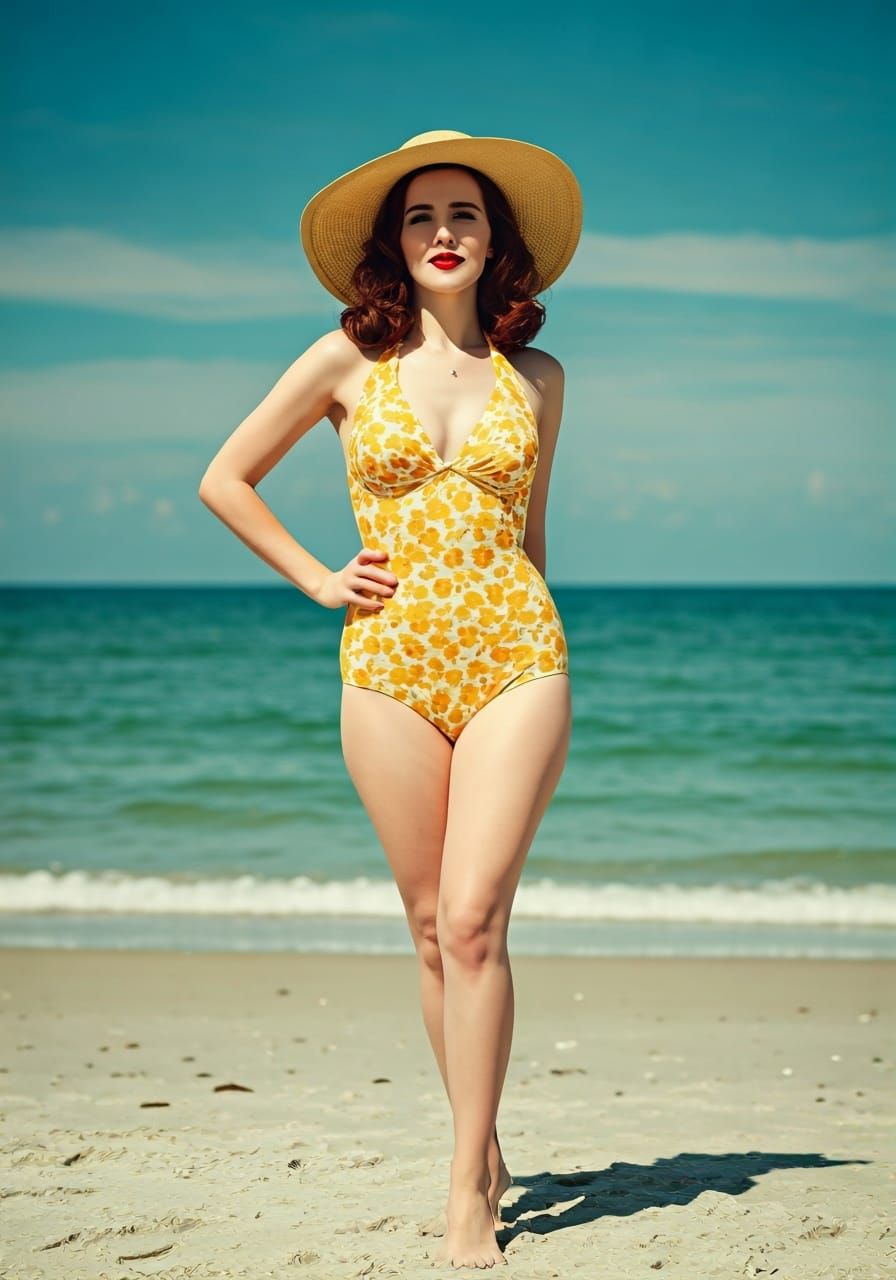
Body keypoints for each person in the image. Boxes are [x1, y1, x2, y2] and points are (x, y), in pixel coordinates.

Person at [199, 128, 583, 1270]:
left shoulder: (539, 379)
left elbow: (533, 534)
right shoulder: (342, 363)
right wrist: (319, 575)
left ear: (494, 237)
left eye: (462, 214)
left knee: (474, 919)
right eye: (419, 217)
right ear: (392, 243)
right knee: (429, 931)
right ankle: (487, 1143)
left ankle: (466, 1186)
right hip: (387, 664)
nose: (442, 234)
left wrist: (537, 631)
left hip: (516, 651)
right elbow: (225, 477)